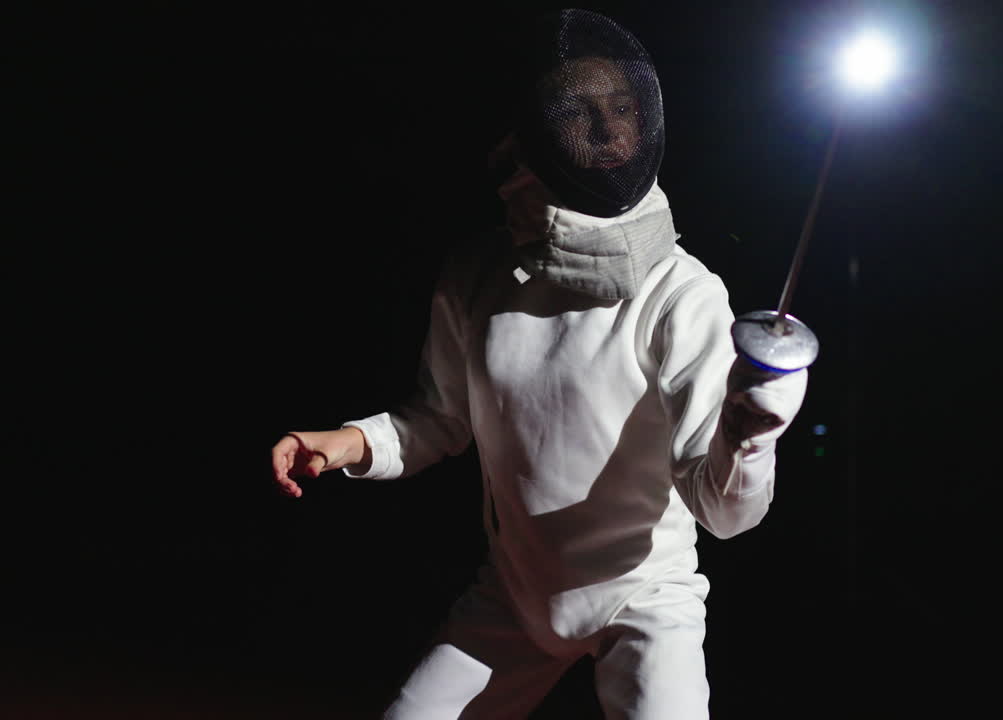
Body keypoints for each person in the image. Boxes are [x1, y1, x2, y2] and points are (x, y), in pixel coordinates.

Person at [269, 9, 810, 719]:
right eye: (580, 110)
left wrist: (748, 438)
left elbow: (725, 511)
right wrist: (347, 442)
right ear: (534, 132)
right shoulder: (476, 275)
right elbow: (440, 419)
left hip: (644, 599)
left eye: (622, 108)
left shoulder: (682, 291)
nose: (610, 130)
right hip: (515, 596)